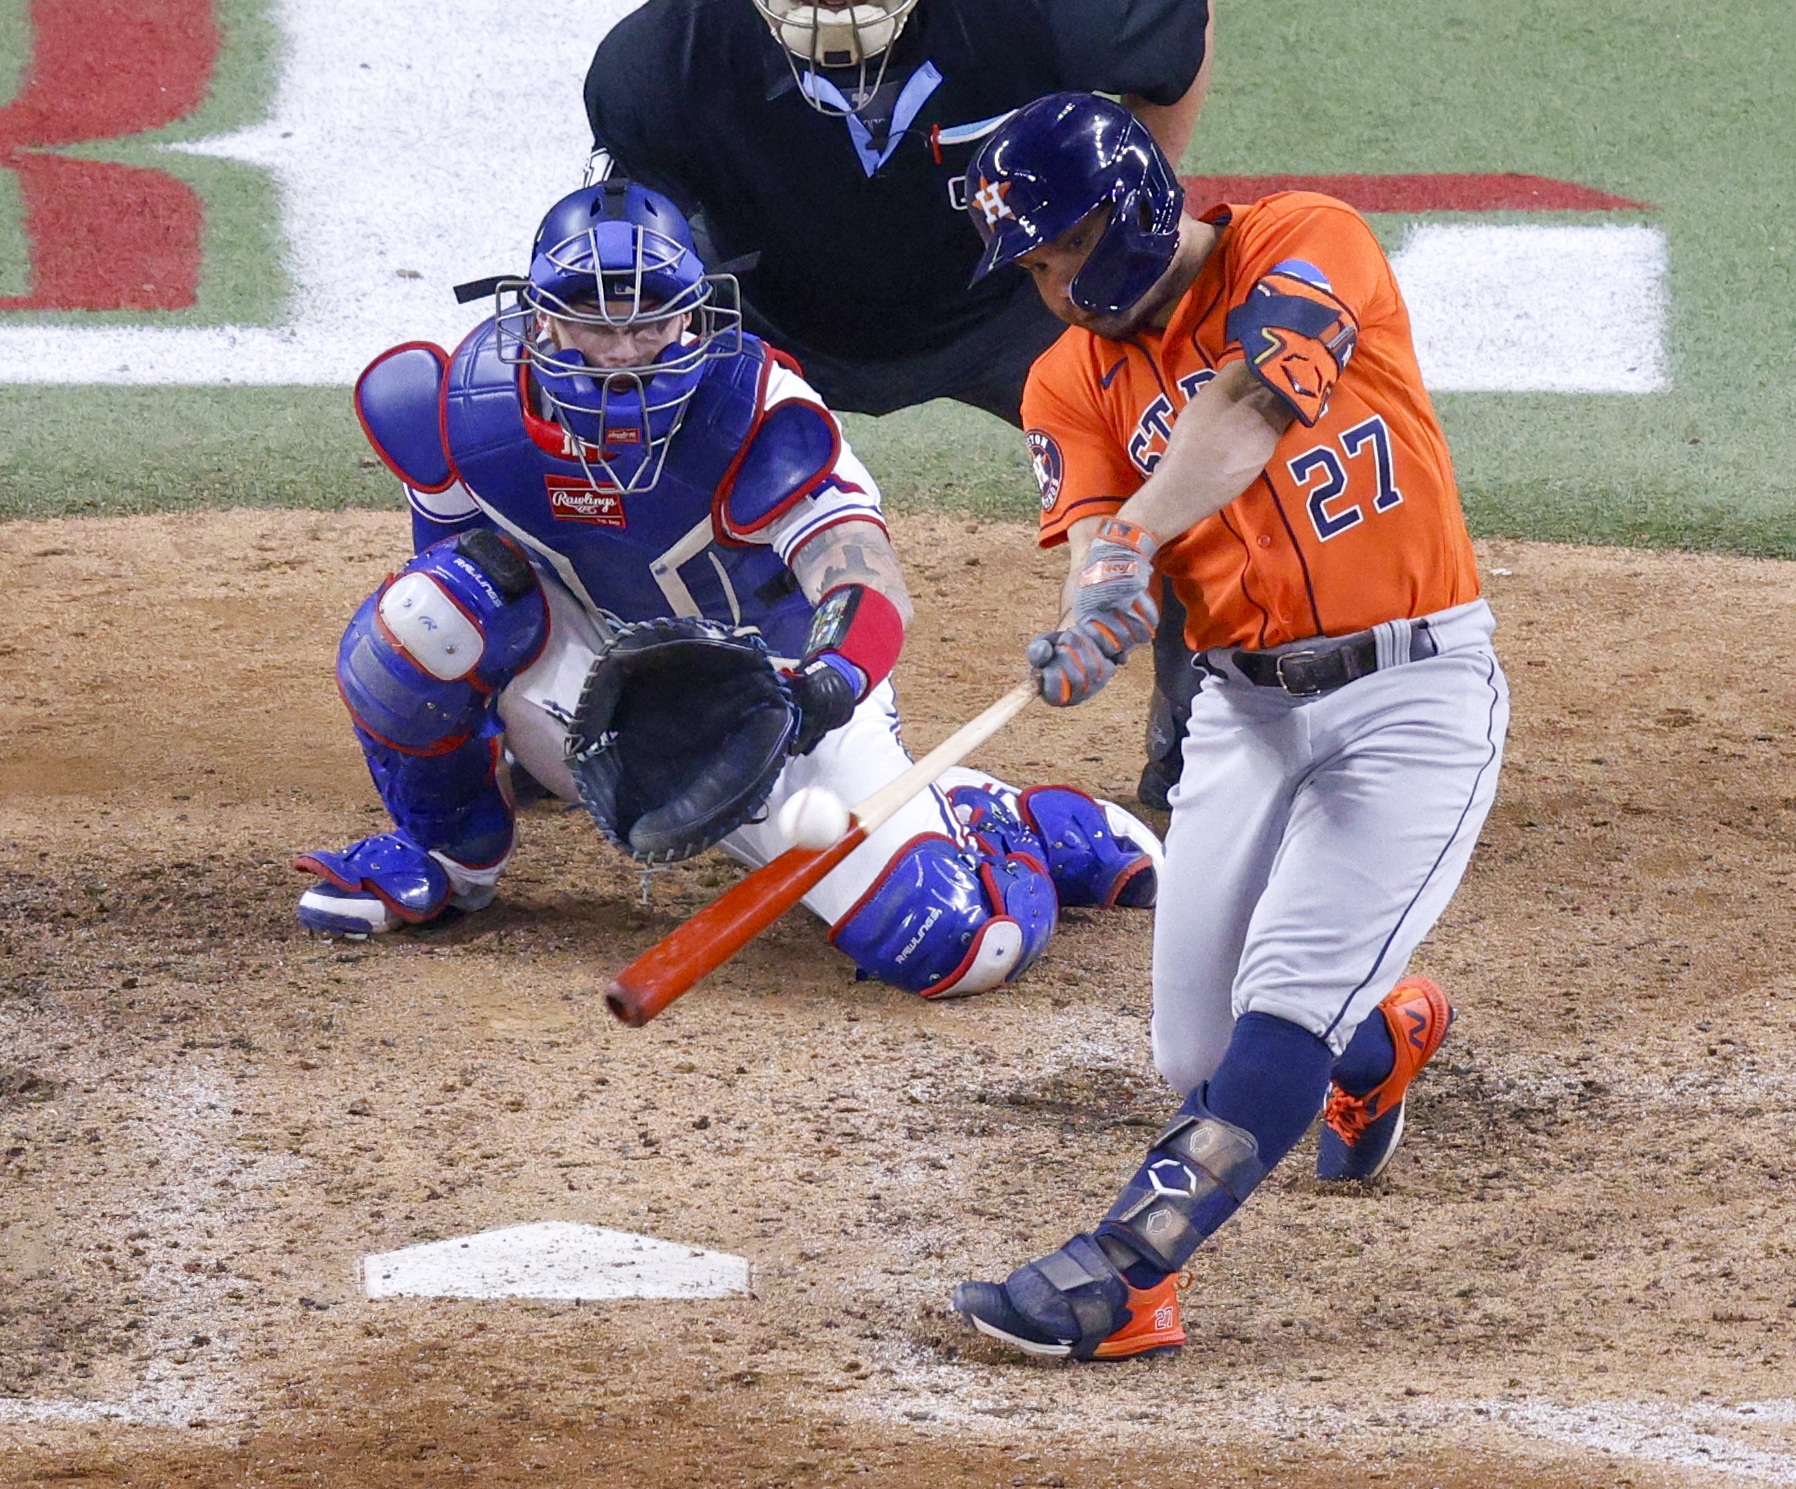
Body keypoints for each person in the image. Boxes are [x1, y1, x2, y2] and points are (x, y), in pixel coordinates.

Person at [293, 179, 1162, 1005]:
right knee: (423, 616)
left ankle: (1008, 821)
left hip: (774, 704)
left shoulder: (761, 415)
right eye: (598, 320)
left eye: (654, 322)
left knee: (955, 949)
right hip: (595, 683)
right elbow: (461, 571)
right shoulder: (443, 405)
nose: (627, 351)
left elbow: (863, 578)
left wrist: (825, 683)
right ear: (541, 319)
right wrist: (523, 736)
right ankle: (444, 857)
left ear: (695, 316)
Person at [946, 95, 1509, 1359]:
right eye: (1032, 267)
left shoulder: (1306, 240)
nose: (1052, 285)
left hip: (1412, 694)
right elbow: (1099, 533)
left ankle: (1127, 1273)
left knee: (1280, 1008)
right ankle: (1379, 1037)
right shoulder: (1064, 381)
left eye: (1060, 247)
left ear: (1134, 204)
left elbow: (1253, 404)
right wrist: (1094, 604)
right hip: (1244, 713)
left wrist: (1133, 536)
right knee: (1195, 1052)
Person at [585, 0, 1217, 805]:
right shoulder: (664, 55)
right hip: (776, 318)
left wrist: (1129, 231)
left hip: (1004, 306)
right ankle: (610, 715)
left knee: (1179, 453)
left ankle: (1204, 730)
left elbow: (1177, 22)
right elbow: (641, 240)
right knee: (622, 461)